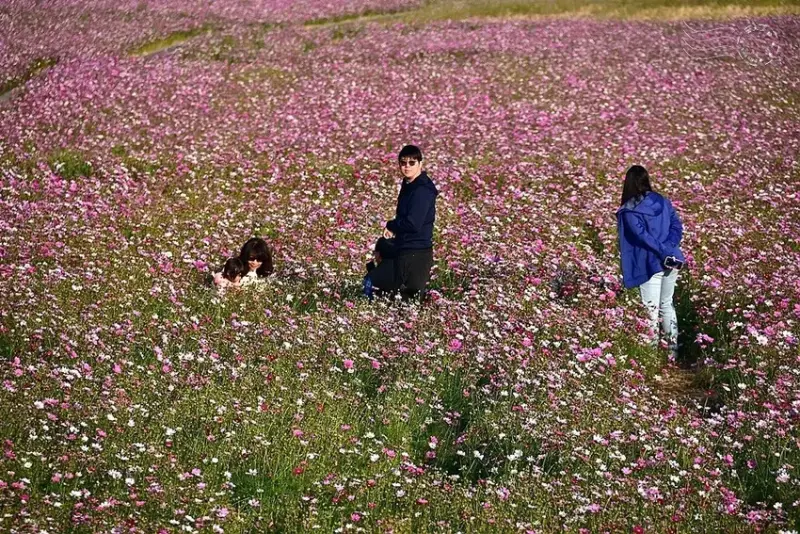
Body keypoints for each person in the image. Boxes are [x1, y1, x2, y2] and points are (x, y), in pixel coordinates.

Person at [617, 165, 686, 359]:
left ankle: (651, 356)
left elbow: (642, 237)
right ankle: (673, 353)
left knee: (650, 310)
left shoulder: (630, 210)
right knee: (666, 305)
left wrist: (663, 250)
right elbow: (676, 226)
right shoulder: (663, 202)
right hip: (672, 261)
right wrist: (670, 248)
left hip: (650, 263)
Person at [366, 145, 438, 300]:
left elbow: (413, 224)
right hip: (405, 248)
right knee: (388, 293)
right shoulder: (408, 184)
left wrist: (392, 225)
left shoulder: (421, 190)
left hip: (416, 253)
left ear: (420, 163)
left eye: (412, 163)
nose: (407, 167)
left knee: (408, 298)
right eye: (403, 163)